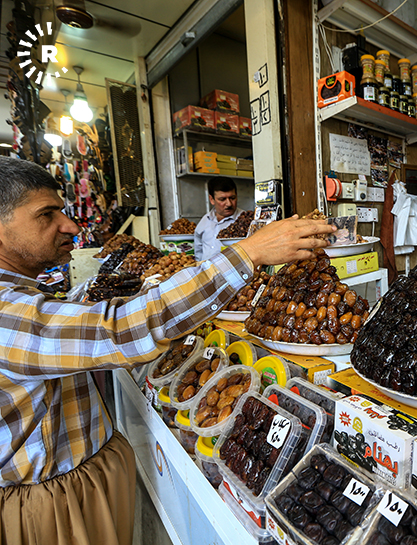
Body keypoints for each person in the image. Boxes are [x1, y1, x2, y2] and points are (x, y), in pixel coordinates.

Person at [0, 156, 334, 544]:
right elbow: (119, 328)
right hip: (51, 508)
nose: (70, 226)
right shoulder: (6, 313)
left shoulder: (25, 295)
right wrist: (249, 254)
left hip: (72, 486)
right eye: (47, 214)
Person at [194, 176, 244, 261]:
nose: (229, 204)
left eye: (232, 198)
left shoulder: (245, 221)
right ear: (212, 199)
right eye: (222, 199)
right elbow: (198, 252)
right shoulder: (205, 221)